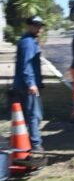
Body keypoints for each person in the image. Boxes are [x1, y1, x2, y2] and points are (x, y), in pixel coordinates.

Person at [12, 16, 46, 151]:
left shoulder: (30, 41)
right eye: (36, 26)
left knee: (32, 115)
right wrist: (31, 83)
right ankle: (35, 145)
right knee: (34, 116)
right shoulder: (28, 43)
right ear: (29, 26)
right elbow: (26, 65)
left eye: (40, 26)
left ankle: (28, 142)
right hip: (27, 86)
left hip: (26, 84)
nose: (39, 29)